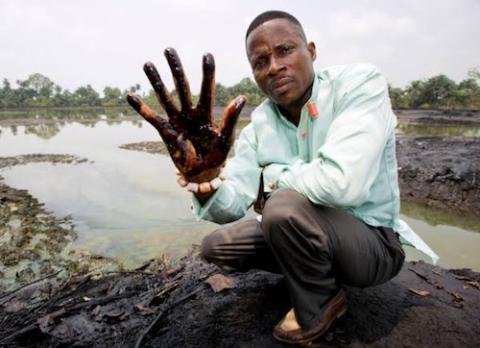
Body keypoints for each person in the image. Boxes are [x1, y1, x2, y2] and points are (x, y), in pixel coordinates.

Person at [127, 10, 438, 345]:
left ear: (312, 51)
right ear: (254, 73)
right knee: (217, 245)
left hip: (373, 244)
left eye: (285, 51)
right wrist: (206, 179)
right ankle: (311, 270)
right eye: (260, 61)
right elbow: (232, 205)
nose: (273, 66)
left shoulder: (358, 83)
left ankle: (323, 302)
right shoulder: (260, 123)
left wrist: (271, 179)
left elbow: (342, 184)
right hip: (307, 231)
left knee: (281, 208)